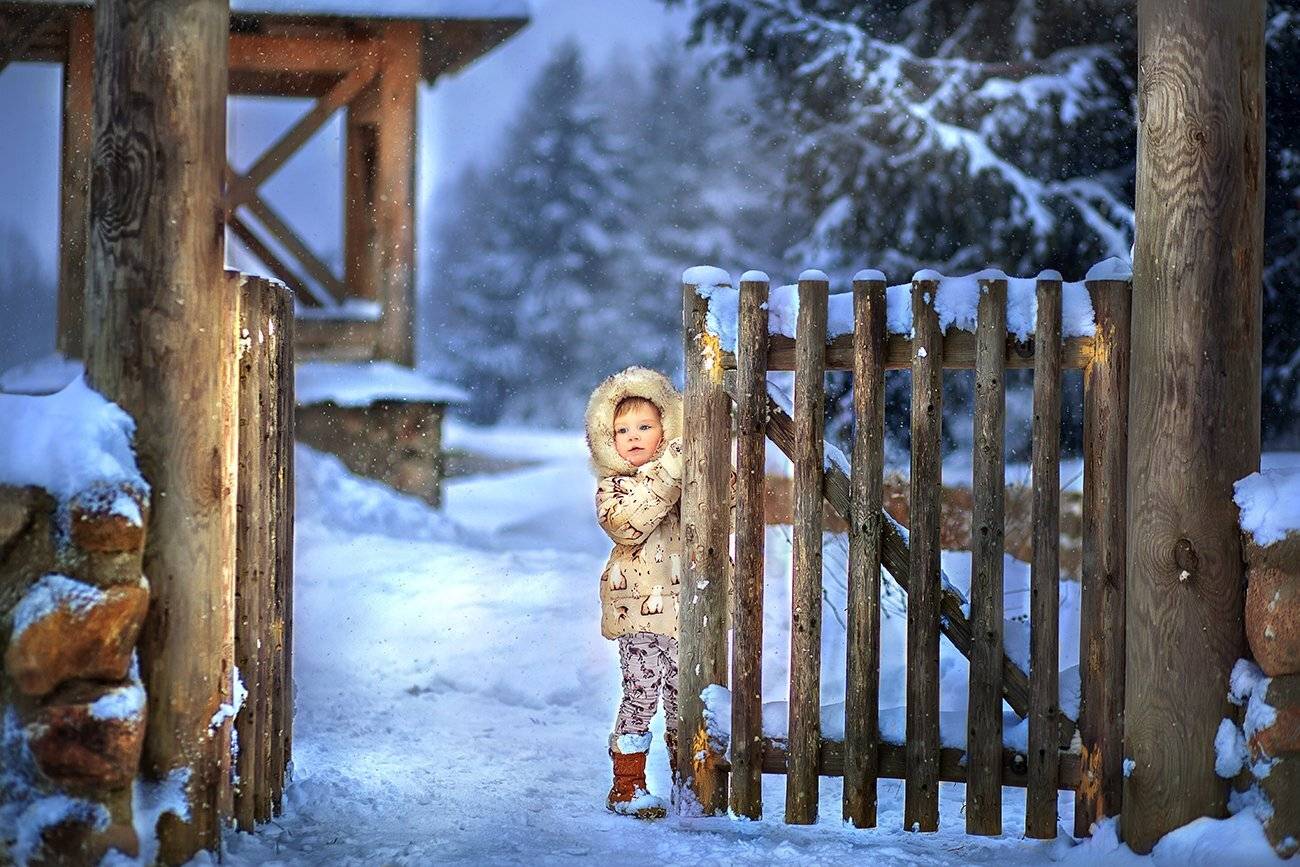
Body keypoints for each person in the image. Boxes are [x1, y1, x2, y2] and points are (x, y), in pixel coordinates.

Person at [584, 366, 684, 819]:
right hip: (638, 616)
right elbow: (629, 527)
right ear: (608, 439)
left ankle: (691, 786)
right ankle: (626, 786)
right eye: (622, 430)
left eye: (645, 426)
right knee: (640, 694)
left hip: (689, 608)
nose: (634, 436)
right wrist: (670, 474)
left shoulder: (689, 472)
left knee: (687, 699)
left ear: (668, 427)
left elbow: (730, 503)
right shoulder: (614, 488)